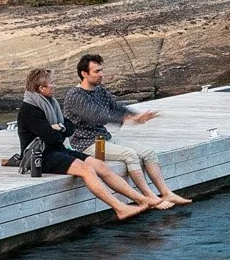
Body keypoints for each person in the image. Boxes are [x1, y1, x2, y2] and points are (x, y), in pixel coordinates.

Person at [16, 66, 160, 220]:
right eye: (52, 83)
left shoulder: (51, 104)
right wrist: (59, 130)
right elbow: (52, 137)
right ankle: (120, 208)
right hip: (40, 156)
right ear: (41, 88)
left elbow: (70, 127)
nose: (54, 85)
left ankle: (141, 199)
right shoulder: (30, 110)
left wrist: (59, 128)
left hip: (58, 150)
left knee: (100, 165)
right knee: (87, 170)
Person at [61, 53, 191, 207]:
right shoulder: (74, 96)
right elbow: (96, 115)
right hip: (85, 144)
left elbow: (116, 107)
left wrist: (137, 116)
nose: (101, 74)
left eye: (101, 70)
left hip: (103, 138)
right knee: (130, 155)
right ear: (84, 73)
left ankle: (166, 193)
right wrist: (126, 119)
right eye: (97, 71)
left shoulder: (99, 90)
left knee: (148, 152)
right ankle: (150, 197)